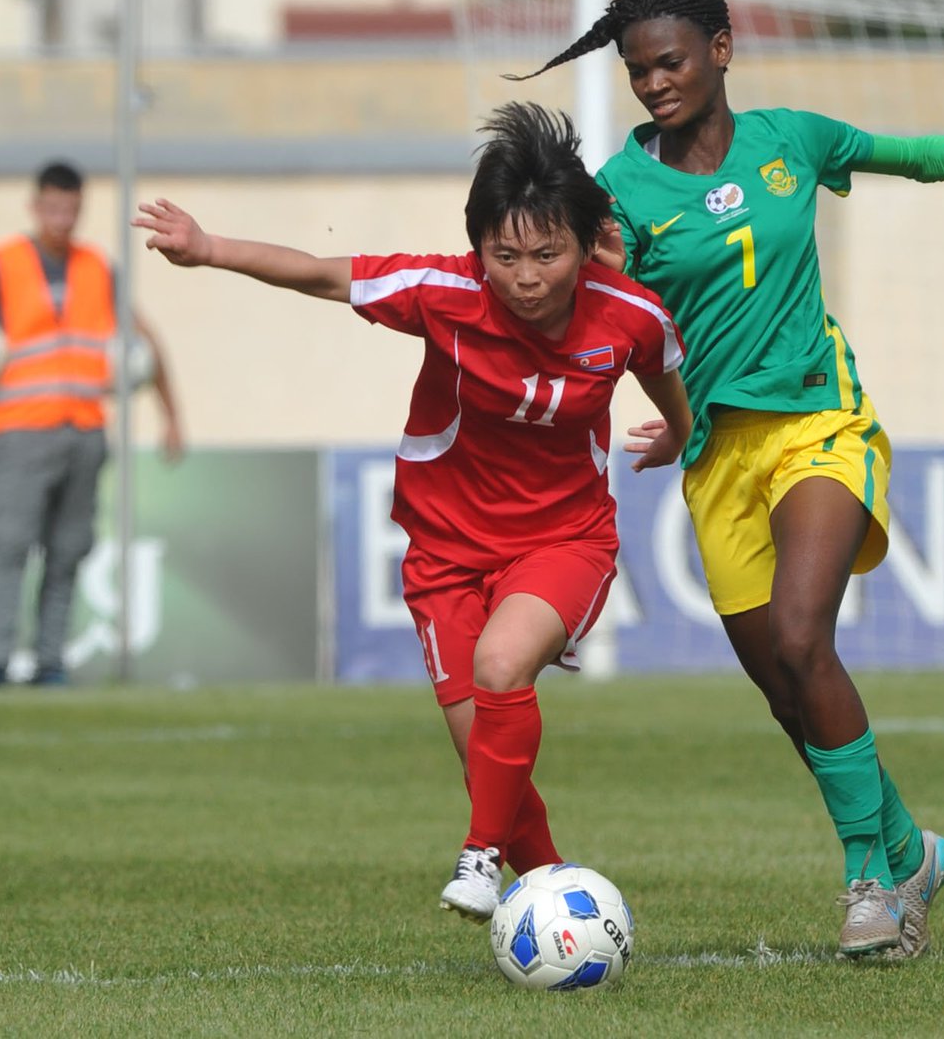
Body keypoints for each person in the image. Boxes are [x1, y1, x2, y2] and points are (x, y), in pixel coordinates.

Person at [505, 0, 944, 959]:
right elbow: (610, 318)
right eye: (637, 70)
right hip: (717, 457)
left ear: (720, 49)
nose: (654, 81)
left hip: (818, 420)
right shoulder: (618, 191)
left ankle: (869, 885)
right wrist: (668, 410)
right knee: (785, 691)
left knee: (804, 636)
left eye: (669, 61)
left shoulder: (792, 139)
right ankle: (907, 848)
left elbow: (905, 154)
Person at [133, 102, 692, 923]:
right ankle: (559, 907)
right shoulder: (444, 291)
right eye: (505, 255)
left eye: (548, 253)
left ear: (583, 247)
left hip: (563, 539)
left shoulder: (629, 314)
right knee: (484, 755)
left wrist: (677, 435)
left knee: (503, 668)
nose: (527, 276)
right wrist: (208, 248)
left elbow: (667, 377)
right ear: (478, 250)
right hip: (446, 554)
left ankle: (479, 859)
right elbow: (323, 273)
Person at [0, 160, 184, 687]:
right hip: (19, 429)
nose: (62, 219)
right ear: (36, 207)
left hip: (84, 430)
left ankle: (51, 663)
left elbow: (146, 338)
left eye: (71, 209)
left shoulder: (97, 267)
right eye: (53, 208)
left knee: (69, 550)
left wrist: (171, 416)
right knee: (9, 545)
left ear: (81, 208)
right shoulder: (2, 263)